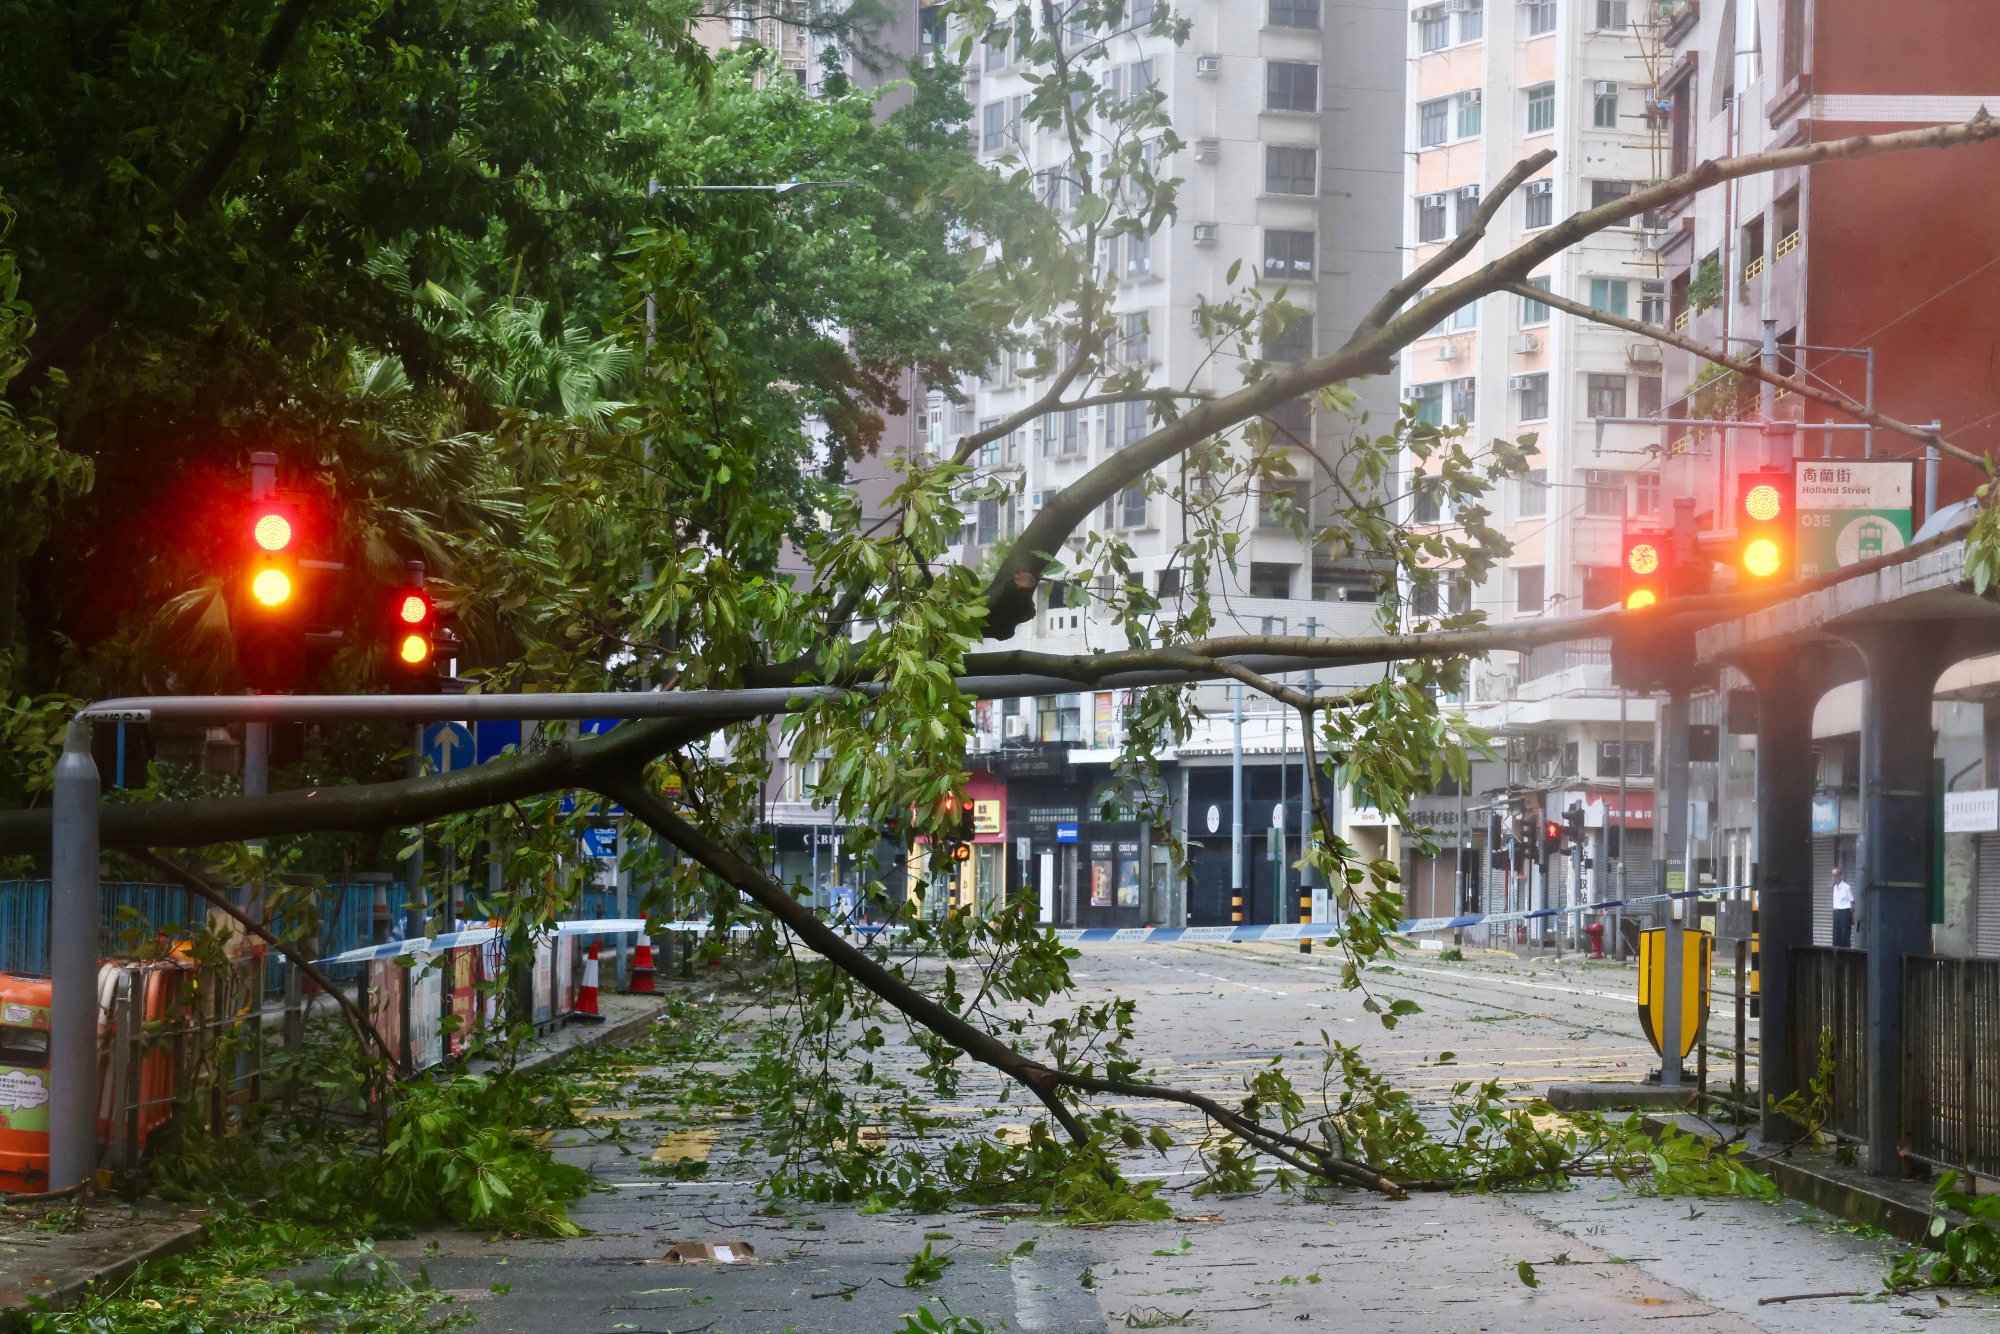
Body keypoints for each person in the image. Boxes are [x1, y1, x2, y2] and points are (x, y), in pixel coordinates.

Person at [1830, 866, 1856, 948]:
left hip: (1845, 912)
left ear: (1841, 876)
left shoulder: (1846, 887)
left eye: (1835, 875)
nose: (1833, 877)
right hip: (1836, 912)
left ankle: (1846, 956)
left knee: (1844, 936)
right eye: (1832, 875)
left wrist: (1852, 915)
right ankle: (1835, 955)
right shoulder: (1834, 887)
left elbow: (1852, 901)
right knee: (1836, 935)